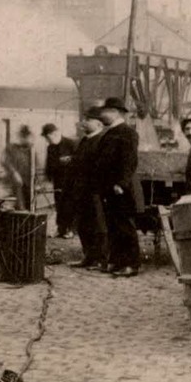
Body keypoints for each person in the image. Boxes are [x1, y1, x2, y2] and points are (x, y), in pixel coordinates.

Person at [95, 97, 142, 276]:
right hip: (109, 187)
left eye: (104, 111)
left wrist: (120, 183)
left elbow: (130, 161)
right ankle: (116, 261)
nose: (101, 115)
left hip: (120, 188)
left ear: (115, 112)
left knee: (125, 226)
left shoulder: (127, 133)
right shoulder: (110, 132)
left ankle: (132, 264)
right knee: (112, 226)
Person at [70, 106, 108, 269]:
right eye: (84, 119)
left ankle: (101, 259)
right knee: (83, 225)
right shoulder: (85, 140)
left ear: (99, 124)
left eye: (88, 120)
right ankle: (88, 257)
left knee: (98, 225)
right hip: (81, 190)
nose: (83, 123)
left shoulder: (102, 141)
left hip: (95, 191)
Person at [43, 123, 75, 237]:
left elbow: (79, 160)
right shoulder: (50, 147)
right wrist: (48, 178)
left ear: (55, 133)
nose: (47, 140)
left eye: (48, 137)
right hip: (58, 180)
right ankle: (61, 229)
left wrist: (69, 159)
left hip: (71, 180)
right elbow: (49, 165)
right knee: (59, 205)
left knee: (69, 204)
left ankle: (70, 229)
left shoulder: (71, 143)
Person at [1, 124, 35, 211]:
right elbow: (5, 161)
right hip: (14, 183)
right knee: (18, 207)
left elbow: (35, 166)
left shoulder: (31, 150)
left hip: (28, 183)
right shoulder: (11, 148)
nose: (25, 139)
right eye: (23, 137)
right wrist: (14, 173)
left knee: (30, 206)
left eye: (27, 137)